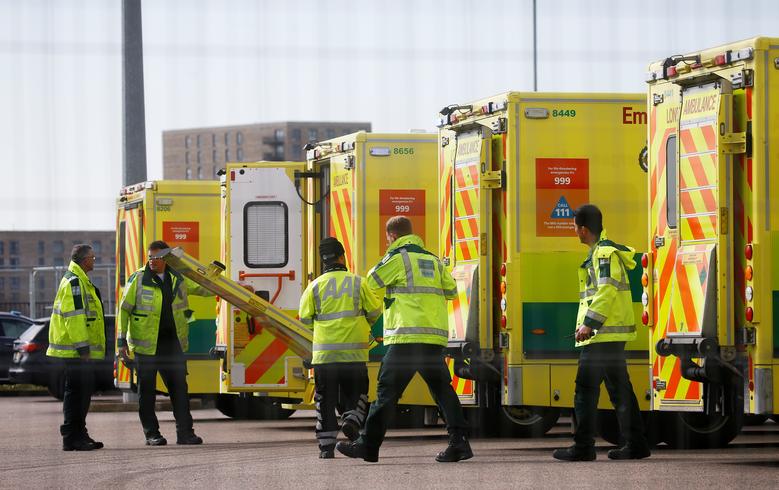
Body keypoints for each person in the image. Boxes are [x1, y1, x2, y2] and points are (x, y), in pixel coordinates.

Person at [337, 216, 472, 463]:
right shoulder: (432, 259)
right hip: (432, 339)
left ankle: (368, 445)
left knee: (386, 393)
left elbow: (372, 281)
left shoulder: (398, 258)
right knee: (443, 391)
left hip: (405, 338)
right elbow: (453, 291)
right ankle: (459, 442)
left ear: (392, 236)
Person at [553, 204, 651, 461]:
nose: (575, 231)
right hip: (608, 335)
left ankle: (584, 447)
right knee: (620, 389)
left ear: (583, 230)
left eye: (575, 227)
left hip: (603, 335)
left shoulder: (603, 255)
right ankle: (636, 443)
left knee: (585, 390)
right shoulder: (601, 252)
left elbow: (606, 291)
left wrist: (590, 324)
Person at [118, 240, 213, 446]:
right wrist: (120, 342)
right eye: (150, 257)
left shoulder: (177, 278)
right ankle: (152, 434)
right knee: (147, 393)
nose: (153, 261)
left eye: (157, 257)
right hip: (146, 347)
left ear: (167, 257)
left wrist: (234, 287)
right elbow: (124, 310)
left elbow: (204, 289)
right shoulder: (138, 279)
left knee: (180, 389)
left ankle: (185, 434)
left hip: (172, 345)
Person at [299, 237, 383, 459]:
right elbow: (375, 312)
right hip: (354, 353)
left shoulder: (314, 286)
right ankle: (351, 421)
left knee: (324, 399)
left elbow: (305, 319)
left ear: (322, 260)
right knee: (357, 392)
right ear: (342, 256)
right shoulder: (359, 282)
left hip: (325, 356)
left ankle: (326, 447)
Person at [47, 244, 105, 451]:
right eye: (93, 258)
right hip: (75, 352)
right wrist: (83, 350)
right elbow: (75, 319)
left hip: (76, 351)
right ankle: (72, 436)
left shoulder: (79, 280)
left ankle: (79, 433)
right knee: (76, 394)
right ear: (84, 260)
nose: (94, 261)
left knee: (81, 393)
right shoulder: (74, 283)